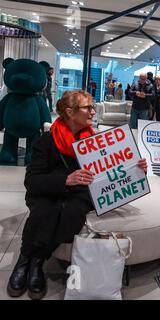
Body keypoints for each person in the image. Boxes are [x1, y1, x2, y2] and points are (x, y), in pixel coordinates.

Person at [6, 89, 148, 300]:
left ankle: (36, 260)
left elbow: (109, 172)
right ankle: (26, 259)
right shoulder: (47, 141)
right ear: (70, 112)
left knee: (71, 213)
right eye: (88, 107)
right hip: (48, 191)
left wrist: (136, 169)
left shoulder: (97, 143)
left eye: (92, 107)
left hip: (80, 195)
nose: (93, 111)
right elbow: (32, 181)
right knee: (45, 211)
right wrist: (65, 179)